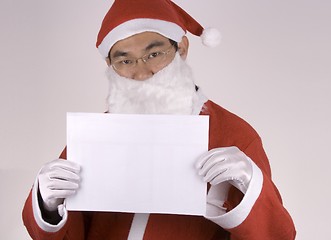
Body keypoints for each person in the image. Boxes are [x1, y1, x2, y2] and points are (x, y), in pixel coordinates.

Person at [22, 0, 296, 239]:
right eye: (125, 60)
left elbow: (276, 235)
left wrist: (251, 188)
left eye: (154, 54)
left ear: (182, 49)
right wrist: (47, 203)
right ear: (110, 66)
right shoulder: (95, 136)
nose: (142, 73)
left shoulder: (234, 134)